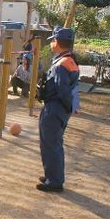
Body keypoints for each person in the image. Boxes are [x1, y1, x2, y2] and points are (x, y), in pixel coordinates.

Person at [36, 27, 79, 192]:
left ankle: (54, 181)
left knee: (51, 143)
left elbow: (63, 90)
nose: (52, 43)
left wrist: (65, 108)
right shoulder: (68, 60)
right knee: (52, 143)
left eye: (53, 40)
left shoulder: (62, 63)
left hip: (55, 108)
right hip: (58, 108)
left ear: (58, 42)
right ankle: (51, 175)